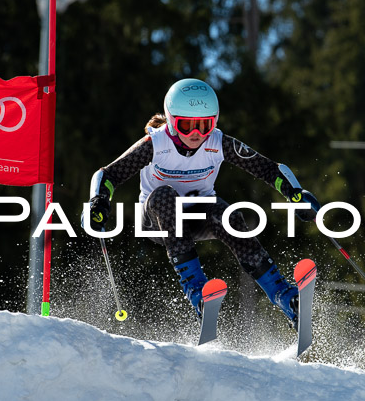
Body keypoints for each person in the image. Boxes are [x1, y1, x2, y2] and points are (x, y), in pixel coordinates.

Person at [86, 78, 319, 329]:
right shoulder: (156, 144)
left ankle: (284, 296)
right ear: (172, 121)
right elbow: (108, 175)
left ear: (215, 121)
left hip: (196, 217)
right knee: (166, 195)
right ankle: (198, 293)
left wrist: (294, 194)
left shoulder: (218, 142)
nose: (196, 135)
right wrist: (98, 202)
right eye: (187, 126)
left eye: (204, 126)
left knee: (227, 215)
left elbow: (267, 168)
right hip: (155, 220)